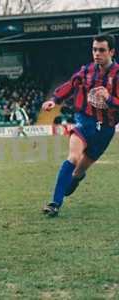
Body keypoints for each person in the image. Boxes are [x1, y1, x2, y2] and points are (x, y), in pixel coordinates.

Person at [42, 34, 119, 217]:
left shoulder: (117, 75)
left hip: (105, 129)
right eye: (94, 49)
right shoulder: (86, 71)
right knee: (73, 157)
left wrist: (109, 98)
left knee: (77, 172)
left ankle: (77, 177)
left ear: (111, 51)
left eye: (101, 50)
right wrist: (55, 100)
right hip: (84, 121)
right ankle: (55, 204)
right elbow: (71, 85)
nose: (97, 54)